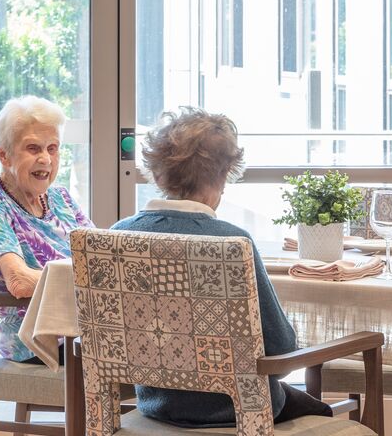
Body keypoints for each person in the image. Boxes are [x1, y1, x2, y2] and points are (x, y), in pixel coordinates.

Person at [111, 107, 331, 427]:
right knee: (319, 410)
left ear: (156, 175)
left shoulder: (119, 236)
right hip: (241, 411)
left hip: (157, 407)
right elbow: (280, 350)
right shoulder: (232, 241)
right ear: (224, 176)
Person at [0, 95, 92, 365]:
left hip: (84, 328)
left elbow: (100, 256)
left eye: (53, 148)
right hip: (37, 340)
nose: (46, 159)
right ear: (4, 154)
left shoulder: (61, 198)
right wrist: (93, 284)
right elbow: (19, 282)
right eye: (33, 148)